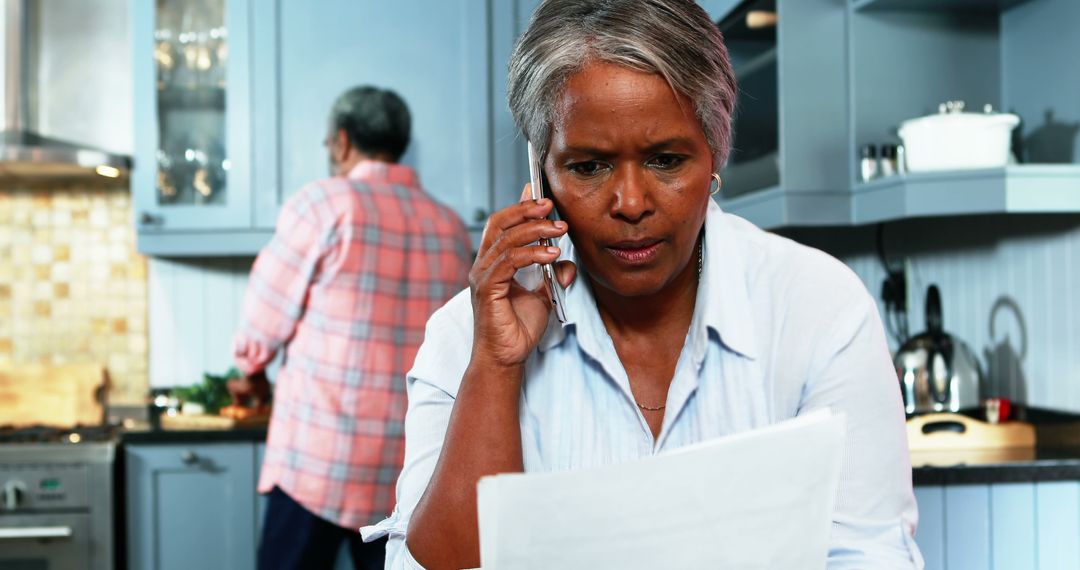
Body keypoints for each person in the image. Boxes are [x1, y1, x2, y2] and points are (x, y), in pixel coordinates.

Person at [362, 1, 923, 568]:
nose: (631, 204)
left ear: (714, 154)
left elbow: (868, 554)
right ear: (540, 176)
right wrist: (496, 367)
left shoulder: (816, 307)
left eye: (666, 160)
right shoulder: (467, 335)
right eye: (588, 166)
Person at [232, 85, 473, 570]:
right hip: (406, 470)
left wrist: (250, 372)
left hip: (318, 463)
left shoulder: (325, 204)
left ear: (342, 142)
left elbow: (265, 313)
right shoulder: (448, 226)